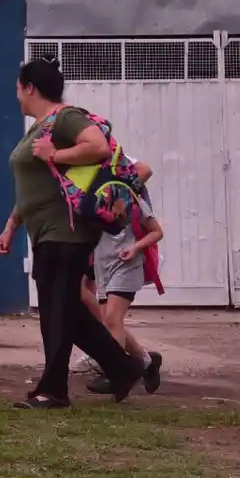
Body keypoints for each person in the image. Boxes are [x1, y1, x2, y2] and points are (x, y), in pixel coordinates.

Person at [0, 58, 145, 409]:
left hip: (68, 230)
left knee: (56, 311)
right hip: (46, 230)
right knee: (68, 312)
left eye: (19, 88)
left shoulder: (65, 117)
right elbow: (35, 185)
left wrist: (56, 153)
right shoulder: (38, 127)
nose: (16, 95)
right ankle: (124, 367)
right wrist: (11, 225)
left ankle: (54, 390)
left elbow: (98, 147)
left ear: (29, 87)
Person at [84, 168, 165, 396]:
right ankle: (147, 363)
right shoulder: (94, 202)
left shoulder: (133, 200)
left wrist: (135, 247)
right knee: (110, 324)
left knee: (112, 319)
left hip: (127, 265)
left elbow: (156, 232)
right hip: (103, 268)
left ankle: (116, 375)